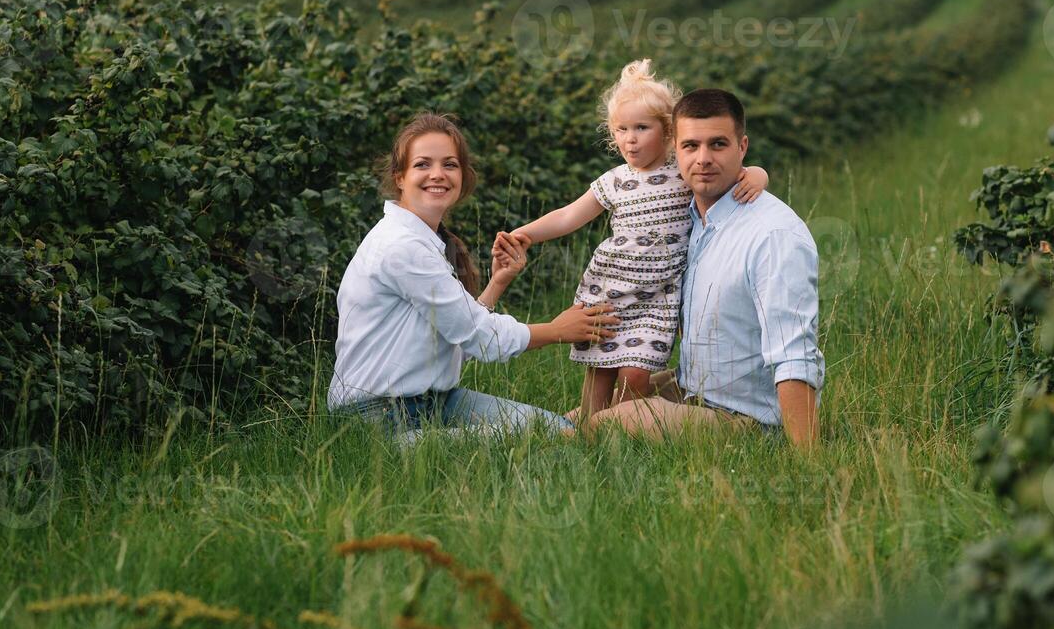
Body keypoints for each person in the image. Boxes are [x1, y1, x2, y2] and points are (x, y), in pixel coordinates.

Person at [494, 59, 768, 420]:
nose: (630, 138)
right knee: (601, 370)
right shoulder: (615, 180)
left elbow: (740, 172)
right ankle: (586, 437)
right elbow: (569, 215)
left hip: (657, 297)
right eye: (621, 129)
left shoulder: (682, 172)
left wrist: (760, 176)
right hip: (610, 290)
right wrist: (525, 233)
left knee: (636, 374)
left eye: (642, 127)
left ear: (667, 131)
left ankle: (621, 433)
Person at [326, 112, 619, 440]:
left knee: (558, 431)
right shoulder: (401, 246)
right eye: (423, 164)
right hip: (377, 416)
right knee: (556, 438)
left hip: (436, 401)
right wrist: (556, 331)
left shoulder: (423, 239)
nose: (437, 174)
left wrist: (498, 282)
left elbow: (456, 334)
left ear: (463, 175)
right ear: (399, 177)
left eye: (449, 164)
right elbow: (478, 337)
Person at [586, 89, 824, 448]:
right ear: (674, 150)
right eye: (691, 146)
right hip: (693, 390)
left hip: (746, 419)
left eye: (718, 145)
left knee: (602, 425)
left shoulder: (772, 236)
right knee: (581, 416)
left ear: (742, 147)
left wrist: (809, 462)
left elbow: (795, 356)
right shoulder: (689, 219)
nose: (703, 159)